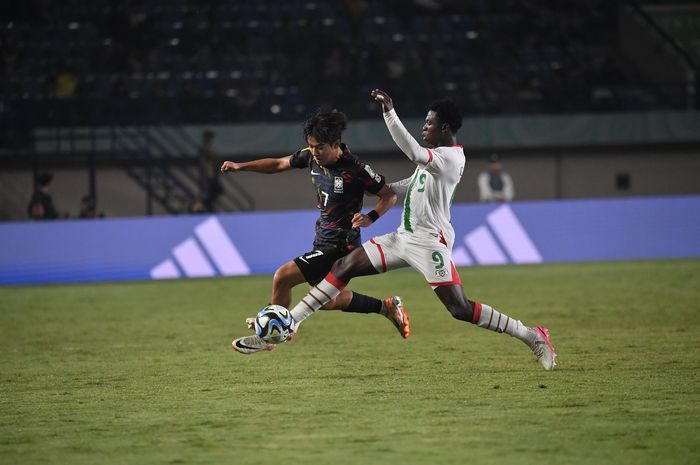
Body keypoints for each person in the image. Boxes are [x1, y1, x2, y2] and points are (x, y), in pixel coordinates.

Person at [256, 90, 556, 370]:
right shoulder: (436, 157)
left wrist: (389, 112)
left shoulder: (450, 158)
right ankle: (289, 323)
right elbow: (407, 188)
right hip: (402, 237)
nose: (424, 128)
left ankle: (532, 335)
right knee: (343, 266)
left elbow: (413, 153)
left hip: (429, 244)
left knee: (460, 309)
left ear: (446, 127)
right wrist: (373, 199)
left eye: (429, 123)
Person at [222, 107, 410, 354]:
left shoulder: (356, 169)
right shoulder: (310, 157)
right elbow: (279, 163)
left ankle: (270, 335)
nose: (314, 152)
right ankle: (386, 307)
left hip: (341, 246)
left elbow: (388, 195)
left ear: (336, 144)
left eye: (319, 147)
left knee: (283, 277)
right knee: (326, 300)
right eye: (311, 146)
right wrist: (240, 166)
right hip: (322, 240)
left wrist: (370, 217)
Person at [197, 130, 224, 212]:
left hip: (212, 175)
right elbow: (204, 162)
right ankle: (203, 206)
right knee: (209, 192)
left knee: (216, 191)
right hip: (208, 175)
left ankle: (208, 206)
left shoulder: (208, 148)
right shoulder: (203, 149)